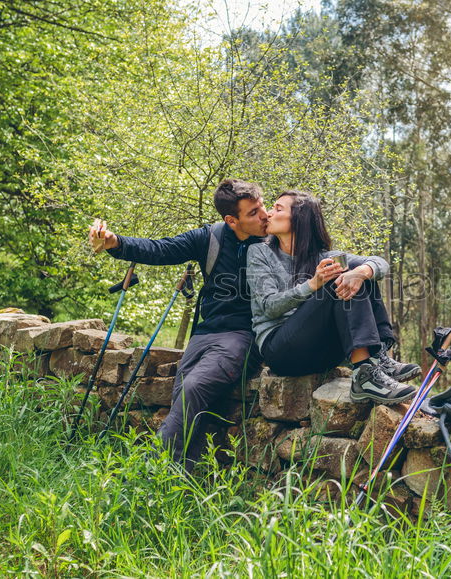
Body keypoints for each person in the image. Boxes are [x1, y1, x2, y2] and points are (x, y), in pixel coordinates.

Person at [88, 179, 269, 471]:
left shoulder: (277, 240)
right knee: (184, 394)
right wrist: (115, 242)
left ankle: (151, 471)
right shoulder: (210, 238)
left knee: (194, 387)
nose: (265, 215)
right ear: (231, 220)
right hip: (204, 333)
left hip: (243, 335)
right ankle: (179, 478)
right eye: (253, 212)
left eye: (263, 206)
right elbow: (161, 250)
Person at [246, 190, 420, 404]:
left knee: (358, 274)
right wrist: (313, 284)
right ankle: (365, 377)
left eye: (278, 208)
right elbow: (269, 306)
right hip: (282, 351)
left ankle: (377, 358)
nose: (269, 214)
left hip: (322, 352)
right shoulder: (259, 252)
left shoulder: (324, 257)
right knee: (338, 280)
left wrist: (361, 272)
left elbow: (380, 263)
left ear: (299, 218)